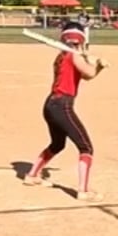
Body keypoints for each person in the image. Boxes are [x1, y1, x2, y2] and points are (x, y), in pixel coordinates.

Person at [21, 22, 104, 199]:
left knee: (57, 144)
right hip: (62, 105)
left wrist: (91, 61)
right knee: (86, 147)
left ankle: (32, 175)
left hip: (51, 105)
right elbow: (89, 74)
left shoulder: (62, 56)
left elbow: (82, 72)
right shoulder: (74, 55)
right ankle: (83, 191)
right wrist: (99, 66)